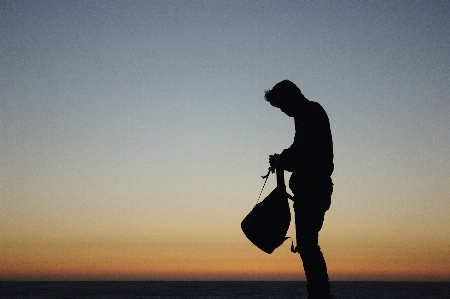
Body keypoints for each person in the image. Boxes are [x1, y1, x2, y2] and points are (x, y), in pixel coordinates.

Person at [265, 80, 334, 299]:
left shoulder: (311, 113)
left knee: (307, 245)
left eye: (282, 105)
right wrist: (283, 158)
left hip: (314, 189)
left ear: (291, 97)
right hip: (307, 190)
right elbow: (298, 149)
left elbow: (308, 154)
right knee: (306, 245)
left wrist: (284, 161)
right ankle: (317, 293)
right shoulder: (304, 116)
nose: (283, 111)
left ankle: (320, 294)